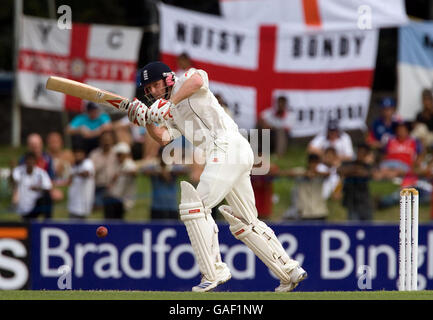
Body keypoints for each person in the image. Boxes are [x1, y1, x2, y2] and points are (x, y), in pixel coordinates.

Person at [119, 61, 306, 292]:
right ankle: (289, 270)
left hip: (227, 145)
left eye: (155, 85)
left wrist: (169, 104)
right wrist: (146, 121)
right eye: (147, 90)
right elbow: (164, 138)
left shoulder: (187, 79)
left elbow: (198, 81)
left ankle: (214, 271)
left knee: (194, 205)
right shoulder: (170, 111)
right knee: (245, 222)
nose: (152, 92)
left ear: (168, 79)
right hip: (228, 154)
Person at [141, 147, 189, 220]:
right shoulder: (155, 167)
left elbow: (185, 171)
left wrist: (169, 173)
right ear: (159, 156)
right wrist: (160, 173)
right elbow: (143, 171)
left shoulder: (172, 167)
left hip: (172, 207)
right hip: (157, 207)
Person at [282, 153, 329, 221]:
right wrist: (305, 174)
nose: (314, 165)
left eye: (316, 163)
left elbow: (328, 174)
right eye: (312, 162)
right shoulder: (300, 171)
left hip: (319, 211)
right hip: (304, 212)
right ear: (308, 163)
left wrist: (315, 173)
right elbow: (287, 173)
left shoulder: (321, 173)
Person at [338, 144, 376, 221]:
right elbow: (340, 171)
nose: (360, 154)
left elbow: (369, 174)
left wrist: (350, 172)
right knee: (353, 227)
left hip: (365, 203)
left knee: (368, 229)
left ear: (366, 154)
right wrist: (356, 170)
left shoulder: (368, 166)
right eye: (359, 152)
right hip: (352, 202)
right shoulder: (348, 163)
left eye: (363, 153)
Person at [12, 152, 53, 220]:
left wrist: (38, 188)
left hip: (36, 204)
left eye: (32, 160)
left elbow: (48, 187)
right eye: (28, 160)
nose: (30, 162)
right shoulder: (18, 170)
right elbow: (14, 182)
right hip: (23, 204)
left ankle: (48, 221)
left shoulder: (41, 173)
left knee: (47, 198)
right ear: (25, 161)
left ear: (35, 161)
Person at [103, 142, 137, 220]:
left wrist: (121, 173)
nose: (118, 157)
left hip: (123, 198)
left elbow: (134, 173)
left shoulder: (129, 164)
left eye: (120, 155)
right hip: (115, 197)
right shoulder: (117, 164)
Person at [89, 130, 118, 209]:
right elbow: (91, 172)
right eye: (104, 140)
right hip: (98, 187)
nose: (106, 142)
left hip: (114, 187)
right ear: (100, 141)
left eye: (108, 140)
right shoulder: (94, 154)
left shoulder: (117, 153)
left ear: (113, 140)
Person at [67, 144, 95, 220]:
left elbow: (87, 173)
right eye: (76, 153)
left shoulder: (87, 163)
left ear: (84, 154)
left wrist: (75, 174)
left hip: (83, 204)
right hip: (73, 203)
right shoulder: (74, 166)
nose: (77, 155)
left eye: (79, 153)